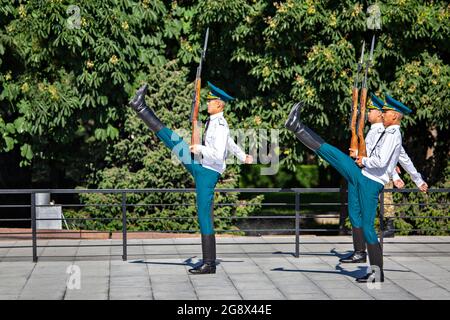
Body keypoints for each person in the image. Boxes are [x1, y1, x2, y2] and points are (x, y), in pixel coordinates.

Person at [285, 95, 422, 282]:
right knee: (333, 155)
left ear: (396, 117)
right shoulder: (387, 132)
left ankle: (377, 273)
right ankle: (297, 127)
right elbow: (388, 160)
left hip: (370, 182)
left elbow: (382, 161)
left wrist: (363, 160)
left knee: (367, 228)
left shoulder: (393, 135)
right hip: (365, 176)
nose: (382, 115)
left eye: (386, 112)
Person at [128, 82, 253, 274]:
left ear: (219, 105)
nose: (208, 103)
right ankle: (140, 106)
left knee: (204, 216)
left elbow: (218, 154)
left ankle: (209, 264)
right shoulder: (217, 122)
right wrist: (243, 156)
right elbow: (230, 143)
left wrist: (200, 148)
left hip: (207, 172)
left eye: (211, 101)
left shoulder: (219, 125)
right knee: (174, 141)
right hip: (202, 166)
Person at [341, 94, 428, 263]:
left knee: (362, 219)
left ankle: (362, 254)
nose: (370, 114)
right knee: (355, 215)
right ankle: (361, 253)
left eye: (372, 110)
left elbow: (390, 158)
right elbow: (392, 157)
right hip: (365, 172)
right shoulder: (379, 131)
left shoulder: (384, 132)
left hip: (367, 176)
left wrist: (405, 177)